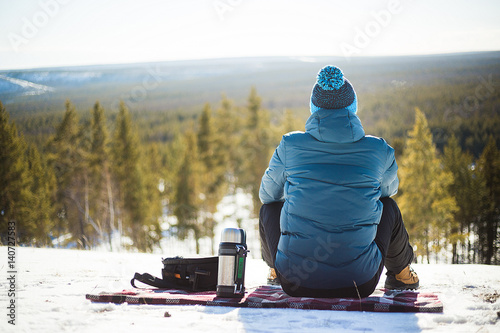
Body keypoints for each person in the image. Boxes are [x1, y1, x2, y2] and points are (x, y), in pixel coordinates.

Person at [258, 65, 419, 298]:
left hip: (294, 280)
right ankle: (402, 275)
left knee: (269, 209)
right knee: (389, 208)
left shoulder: (290, 145)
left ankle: (275, 270)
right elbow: (388, 191)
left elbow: (268, 196)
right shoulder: (379, 149)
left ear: (314, 109)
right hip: (360, 282)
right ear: (352, 108)